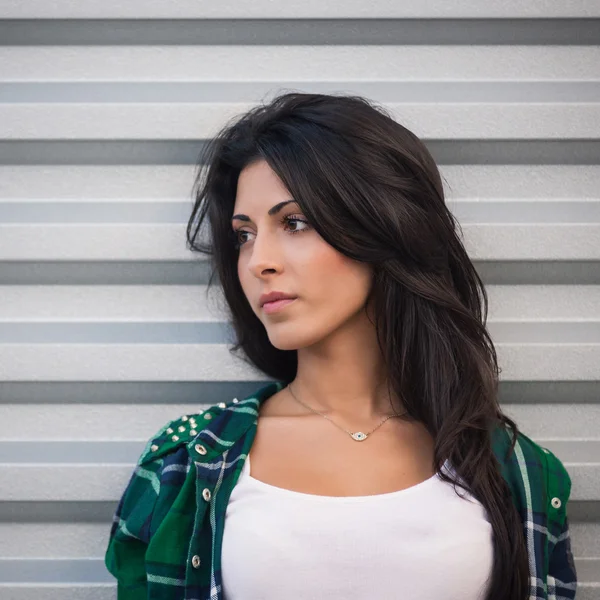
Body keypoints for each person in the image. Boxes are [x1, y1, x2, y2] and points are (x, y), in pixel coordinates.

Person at [105, 91, 577, 600]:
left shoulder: (521, 472)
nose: (257, 260)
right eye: (244, 234)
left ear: (382, 225)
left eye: (294, 222)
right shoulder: (185, 463)